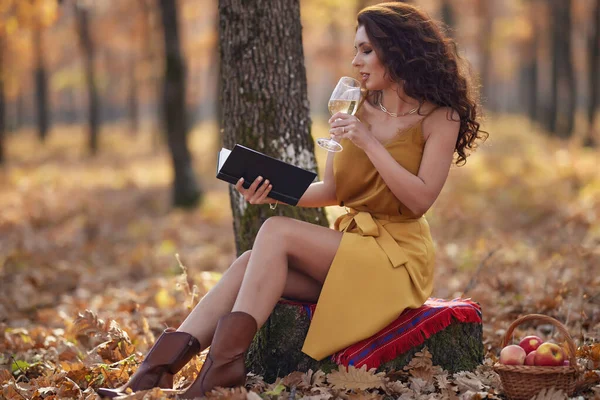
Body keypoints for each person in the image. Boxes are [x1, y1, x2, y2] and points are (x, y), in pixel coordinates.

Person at [98, 2, 487, 398]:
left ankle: (219, 373)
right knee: (251, 260)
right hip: (354, 247)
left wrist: (368, 142)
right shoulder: (355, 106)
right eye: (356, 50)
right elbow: (332, 192)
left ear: (400, 49)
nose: (356, 61)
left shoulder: (441, 118)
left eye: (366, 50)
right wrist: (267, 191)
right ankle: (155, 372)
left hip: (398, 258)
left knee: (276, 232)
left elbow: (420, 200)